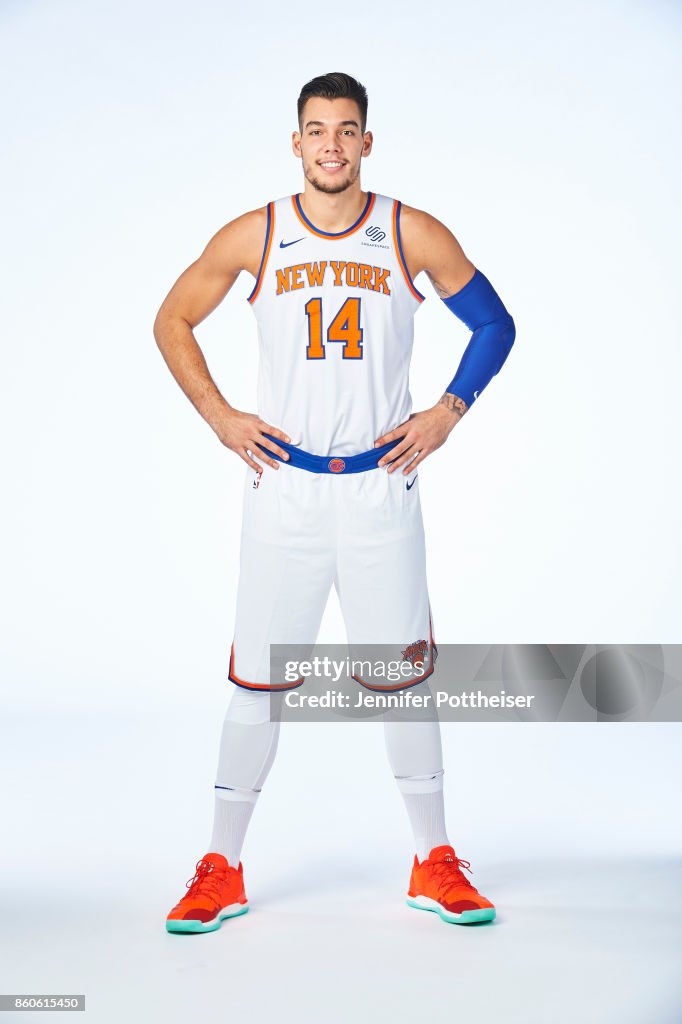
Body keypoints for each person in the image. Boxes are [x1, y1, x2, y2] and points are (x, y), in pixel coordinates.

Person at [153, 72, 515, 933]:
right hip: (285, 490)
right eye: (315, 130)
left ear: (366, 143)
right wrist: (218, 414)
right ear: (296, 142)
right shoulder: (257, 234)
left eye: (345, 131)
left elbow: (495, 325)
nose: (330, 145)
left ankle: (433, 859)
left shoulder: (409, 232)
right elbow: (173, 319)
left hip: (382, 489)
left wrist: (448, 411)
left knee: (403, 683)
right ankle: (221, 865)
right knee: (259, 683)